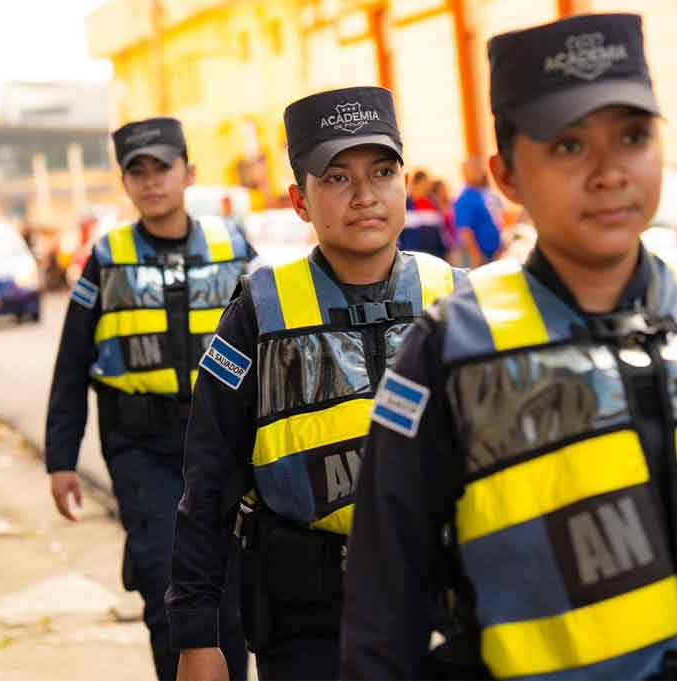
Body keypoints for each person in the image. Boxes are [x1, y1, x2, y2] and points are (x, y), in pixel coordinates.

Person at [341, 13, 677, 681]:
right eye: (568, 146)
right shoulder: (451, 352)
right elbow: (387, 592)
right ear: (506, 175)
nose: (610, 172)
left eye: (633, 137)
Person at [169, 86, 465, 681]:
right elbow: (209, 478)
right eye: (336, 178)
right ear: (299, 201)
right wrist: (197, 636)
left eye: (382, 172)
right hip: (307, 622)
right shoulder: (260, 311)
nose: (365, 196)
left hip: (444, 607)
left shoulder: (458, 297)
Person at [44, 117, 251, 681]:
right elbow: (71, 363)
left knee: (231, 599)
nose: (152, 181)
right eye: (138, 171)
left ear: (189, 172)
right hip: (142, 449)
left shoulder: (235, 248)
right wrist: (61, 460)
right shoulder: (106, 258)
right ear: (125, 182)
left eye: (163, 167)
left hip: (225, 448)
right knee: (169, 587)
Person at [454, 156, 504, 266]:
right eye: (475, 169)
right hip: (481, 256)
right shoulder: (465, 198)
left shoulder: (486, 192)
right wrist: (476, 255)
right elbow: (465, 230)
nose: (480, 171)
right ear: (466, 173)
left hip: (496, 253)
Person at [399, 169, 448, 259]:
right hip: (410, 260)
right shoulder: (403, 206)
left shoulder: (433, 205)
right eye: (424, 184)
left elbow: (439, 234)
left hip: (433, 258)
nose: (427, 188)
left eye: (428, 184)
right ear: (415, 184)